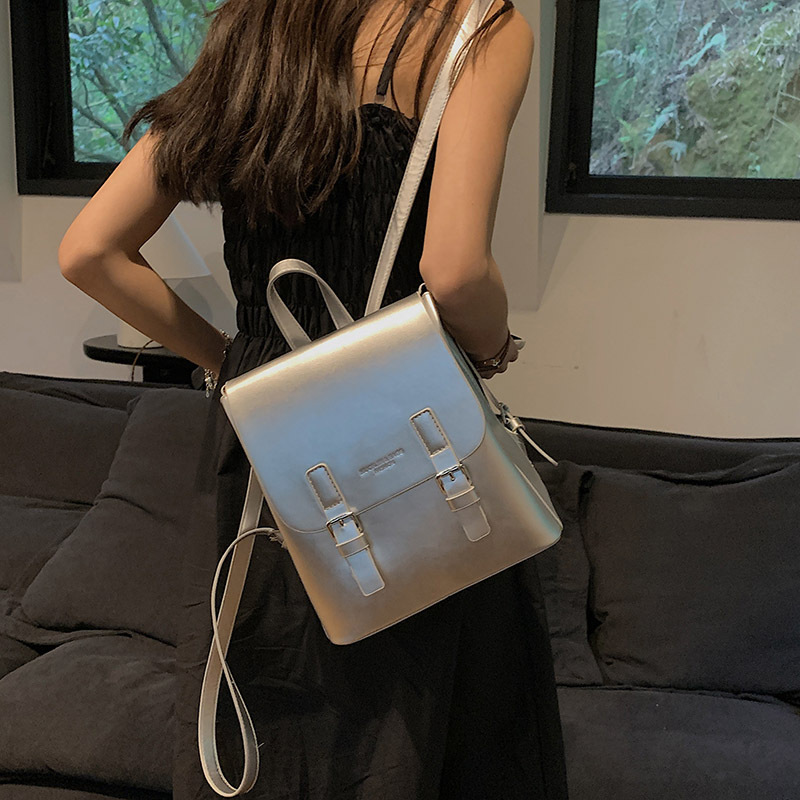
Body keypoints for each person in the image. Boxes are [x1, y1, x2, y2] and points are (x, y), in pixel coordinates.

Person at [57, 1, 570, 797]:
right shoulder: (476, 27)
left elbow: (89, 251)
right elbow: (456, 271)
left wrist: (232, 363)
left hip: (267, 431)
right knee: (433, 717)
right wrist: (496, 348)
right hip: (405, 423)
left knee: (271, 704)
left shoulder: (255, 27)